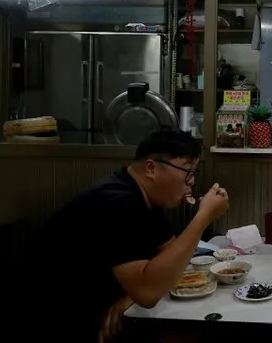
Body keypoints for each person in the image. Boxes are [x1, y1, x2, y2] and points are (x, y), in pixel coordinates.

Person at [14, 130, 229, 343]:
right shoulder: (116, 201)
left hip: (108, 310)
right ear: (151, 168)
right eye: (187, 171)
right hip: (57, 321)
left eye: (194, 173)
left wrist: (129, 296)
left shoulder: (145, 198)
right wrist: (203, 218)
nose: (191, 182)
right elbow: (148, 293)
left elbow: (172, 258)